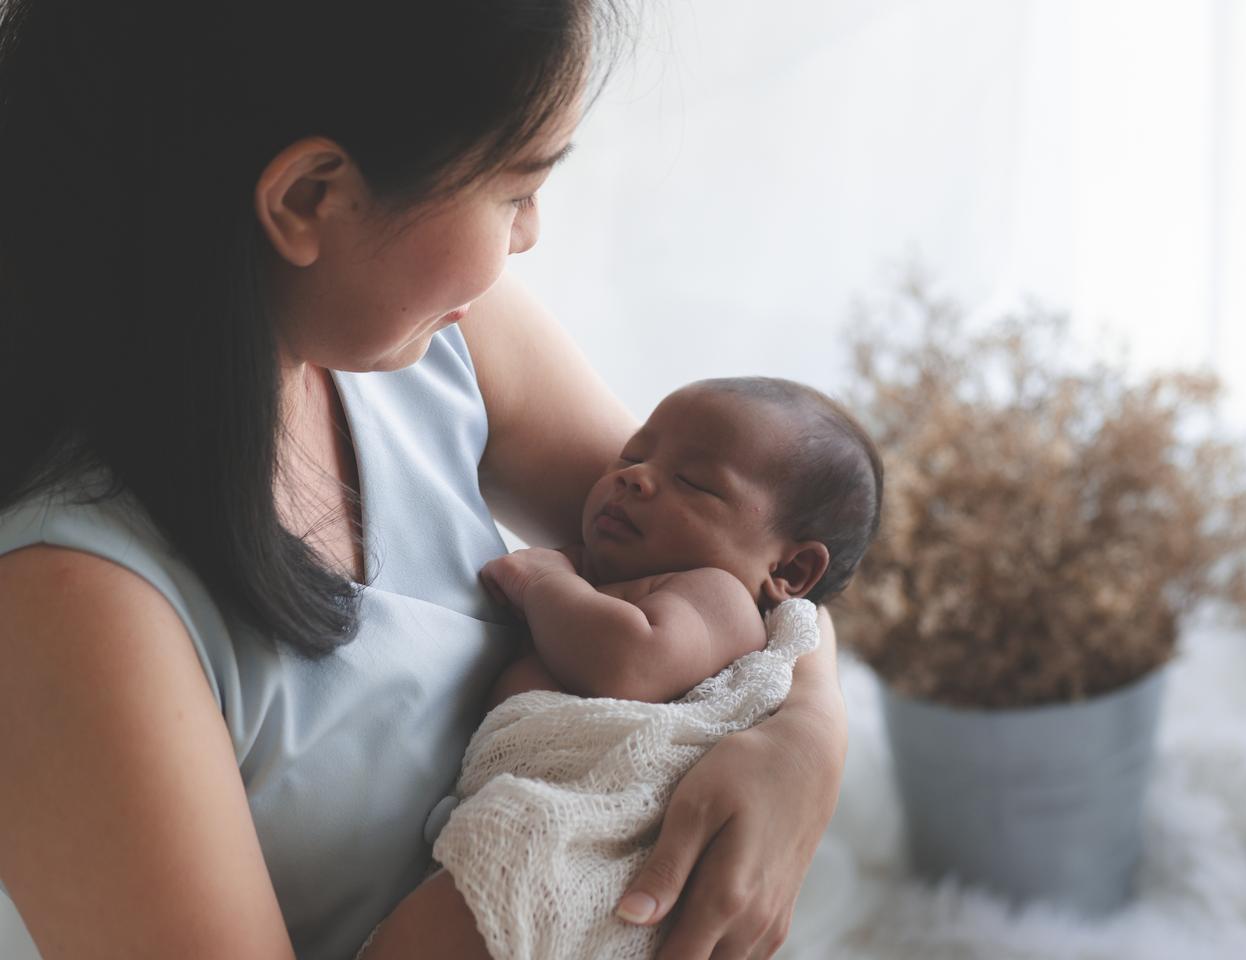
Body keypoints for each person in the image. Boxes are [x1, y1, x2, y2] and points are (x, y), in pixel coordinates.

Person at [0, 3, 849, 960]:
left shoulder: (430, 328)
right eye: (517, 189)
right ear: (309, 198)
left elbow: (747, 557)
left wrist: (807, 741)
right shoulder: (69, 606)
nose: (529, 235)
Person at [479, 377, 883, 708]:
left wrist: (542, 583)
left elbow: (630, 665)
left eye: (693, 481)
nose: (635, 476)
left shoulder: (720, 600)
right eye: (632, 455)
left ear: (789, 570)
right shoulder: (585, 570)